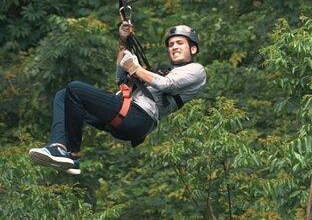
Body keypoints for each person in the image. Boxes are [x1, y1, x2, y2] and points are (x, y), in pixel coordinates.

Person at [28, 25, 206, 175]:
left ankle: (71, 153)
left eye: (179, 43)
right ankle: (61, 149)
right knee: (63, 95)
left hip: (137, 117)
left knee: (75, 88)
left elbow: (167, 85)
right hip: (124, 111)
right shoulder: (162, 70)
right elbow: (120, 76)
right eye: (171, 44)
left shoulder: (197, 71)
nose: (174, 47)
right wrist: (123, 42)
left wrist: (135, 68)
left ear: (193, 49)